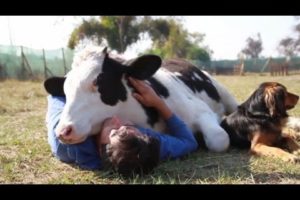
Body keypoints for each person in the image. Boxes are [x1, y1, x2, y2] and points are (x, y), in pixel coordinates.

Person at [46, 77, 198, 177]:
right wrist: (158, 103)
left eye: (113, 132)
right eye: (128, 125)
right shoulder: (142, 144)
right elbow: (189, 142)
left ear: (101, 150)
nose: (117, 120)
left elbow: (55, 96)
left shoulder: (67, 144)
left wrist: (77, 86)